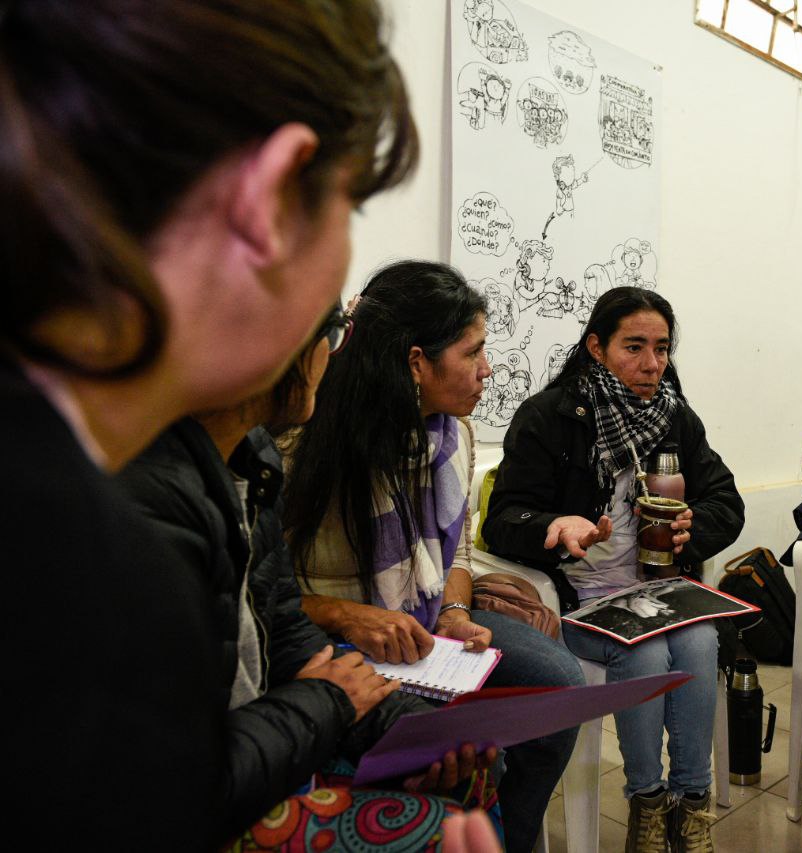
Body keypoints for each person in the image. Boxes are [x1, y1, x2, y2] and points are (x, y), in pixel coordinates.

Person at [0, 2, 491, 849]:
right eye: (348, 207)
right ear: (269, 202)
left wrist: (400, 726)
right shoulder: (89, 554)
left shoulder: (205, 471)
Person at [118, 309, 503, 847]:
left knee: (473, 766)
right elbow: (167, 783)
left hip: (288, 727)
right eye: (334, 334)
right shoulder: (147, 503)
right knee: (443, 831)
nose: (336, 355)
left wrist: (416, 736)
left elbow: (286, 630)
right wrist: (330, 699)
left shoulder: (249, 464)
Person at [283, 261, 584, 853]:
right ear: (416, 362)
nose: (487, 370)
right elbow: (265, 595)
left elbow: (459, 553)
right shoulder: (304, 442)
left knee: (557, 685)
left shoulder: (453, 435)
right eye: (472, 353)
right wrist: (348, 618)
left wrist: (451, 612)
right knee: (475, 761)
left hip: (424, 625)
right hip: (336, 641)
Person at [482, 286, 746, 853]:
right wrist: (555, 526)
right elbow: (503, 519)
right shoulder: (548, 418)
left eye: (662, 348)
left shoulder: (675, 416)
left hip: (658, 589)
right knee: (645, 650)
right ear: (597, 348)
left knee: (700, 641)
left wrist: (691, 526)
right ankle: (647, 805)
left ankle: (690, 803)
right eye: (635, 347)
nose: (652, 364)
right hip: (577, 598)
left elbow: (727, 501)